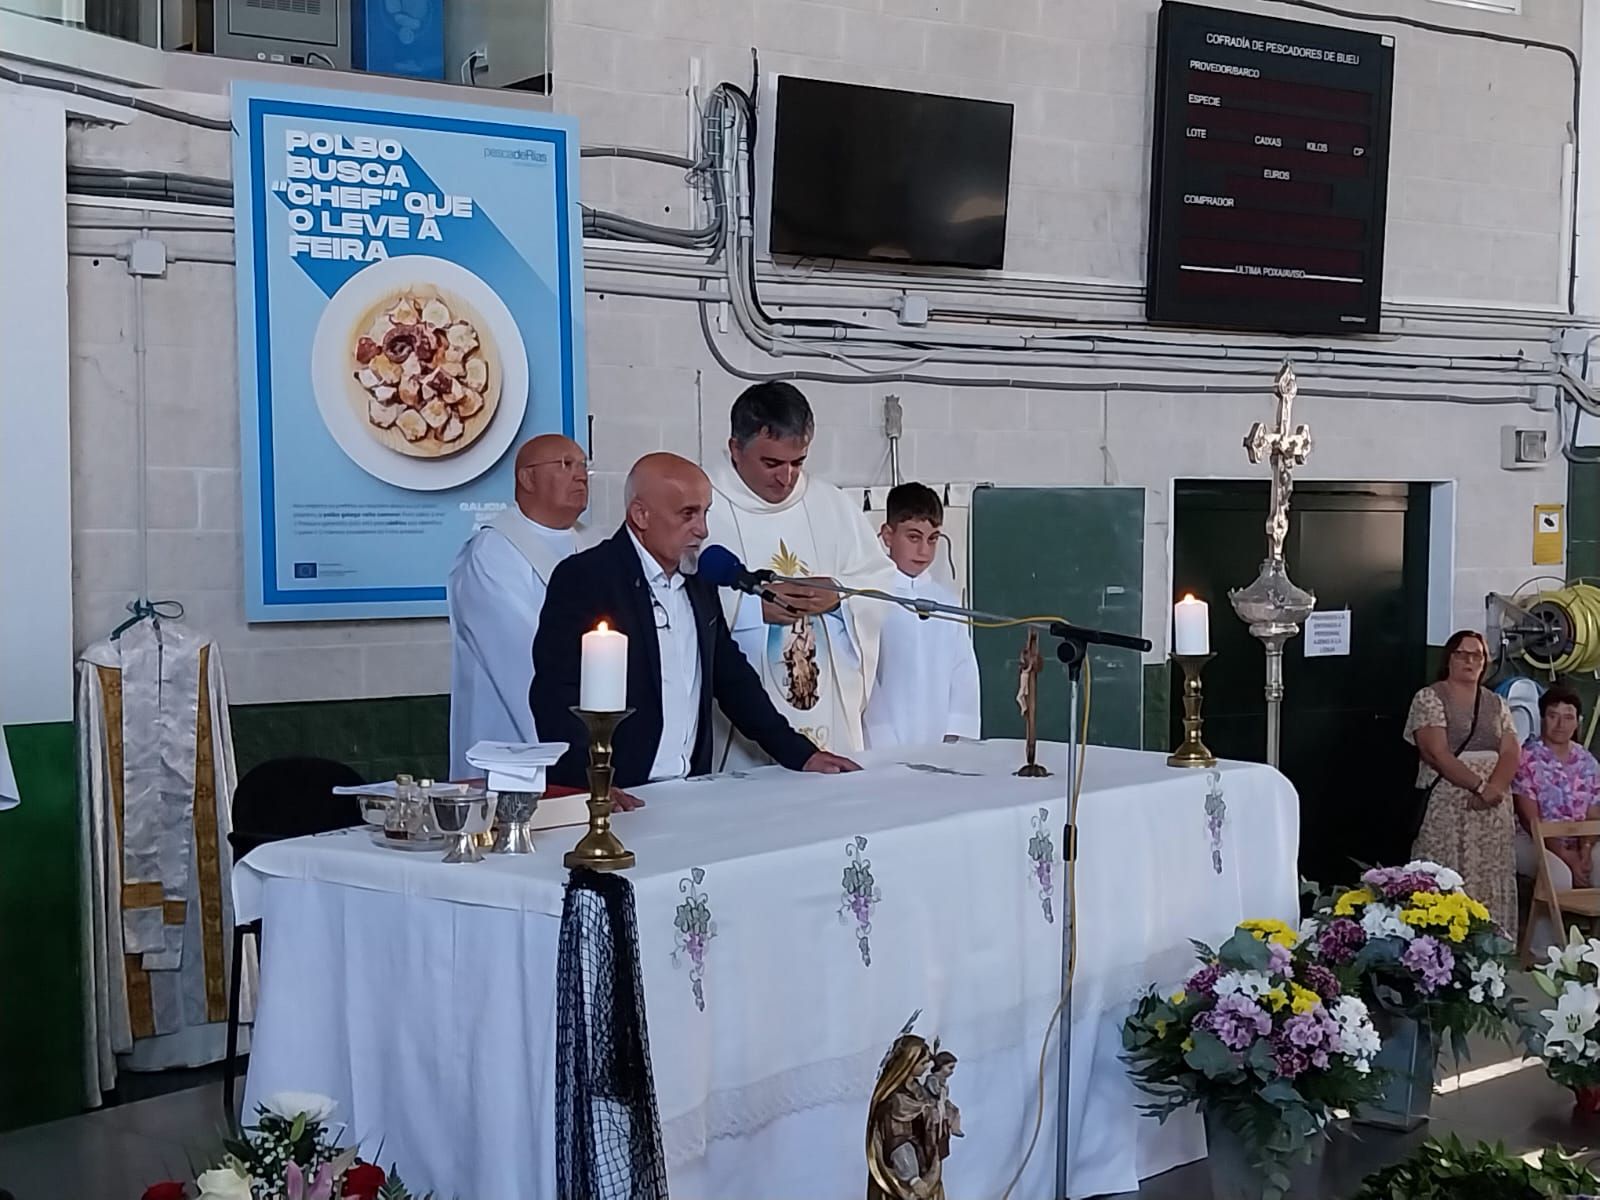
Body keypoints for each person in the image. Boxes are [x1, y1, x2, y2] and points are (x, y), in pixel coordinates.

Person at [532, 452, 861, 790]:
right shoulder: (587, 577)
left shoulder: (698, 579)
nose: (702, 530)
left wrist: (800, 754)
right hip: (619, 791)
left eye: (705, 512)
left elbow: (732, 680)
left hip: (690, 787)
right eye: (687, 514)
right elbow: (555, 694)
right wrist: (590, 784)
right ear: (641, 515)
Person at [705, 382, 897, 767]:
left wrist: (841, 596)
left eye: (798, 462)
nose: (787, 477)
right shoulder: (703, 503)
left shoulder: (830, 503)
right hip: (740, 725)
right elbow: (679, 596)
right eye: (772, 463)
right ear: (735, 449)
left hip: (827, 714)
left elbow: (881, 580)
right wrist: (751, 612)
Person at [446, 434, 588, 780]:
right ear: (526, 478)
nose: (581, 476)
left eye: (584, 466)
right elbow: (524, 661)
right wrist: (575, 761)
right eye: (566, 465)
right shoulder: (493, 553)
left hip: (585, 740)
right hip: (510, 751)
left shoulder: (591, 543)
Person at [1403, 629, 1522, 933]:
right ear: (1449, 658)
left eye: (1477, 655)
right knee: (1446, 875)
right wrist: (1479, 787)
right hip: (1450, 807)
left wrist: (1494, 789)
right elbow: (1436, 752)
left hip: (1492, 811)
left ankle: (1493, 944)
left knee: (1488, 877)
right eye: (1463, 654)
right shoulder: (1430, 697)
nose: (1470, 661)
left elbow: (1511, 750)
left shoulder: (1497, 703)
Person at [863, 483, 981, 749]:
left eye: (933, 539)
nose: (924, 551)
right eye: (913, 538)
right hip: (881, 742)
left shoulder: (947, 603)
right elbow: (864, 677)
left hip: (939, 742)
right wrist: (880, 738)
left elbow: (963, 671)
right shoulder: (869, 597)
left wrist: (955, 734)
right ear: (887, 535)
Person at [1513, 685, 1600, 939]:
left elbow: (1594, 814)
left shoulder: (1588, 762)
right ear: (1542, 719)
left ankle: (1593, 952)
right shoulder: (1526, 758)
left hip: (1580, 841)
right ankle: (1545, 954)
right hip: (1533, 840)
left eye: (1568, 717)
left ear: (1578, 722)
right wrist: (1566, 856)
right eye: (1553, 715)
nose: (1560, 724)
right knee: (1558, 876)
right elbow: (1531, 820)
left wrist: (1584, 852)